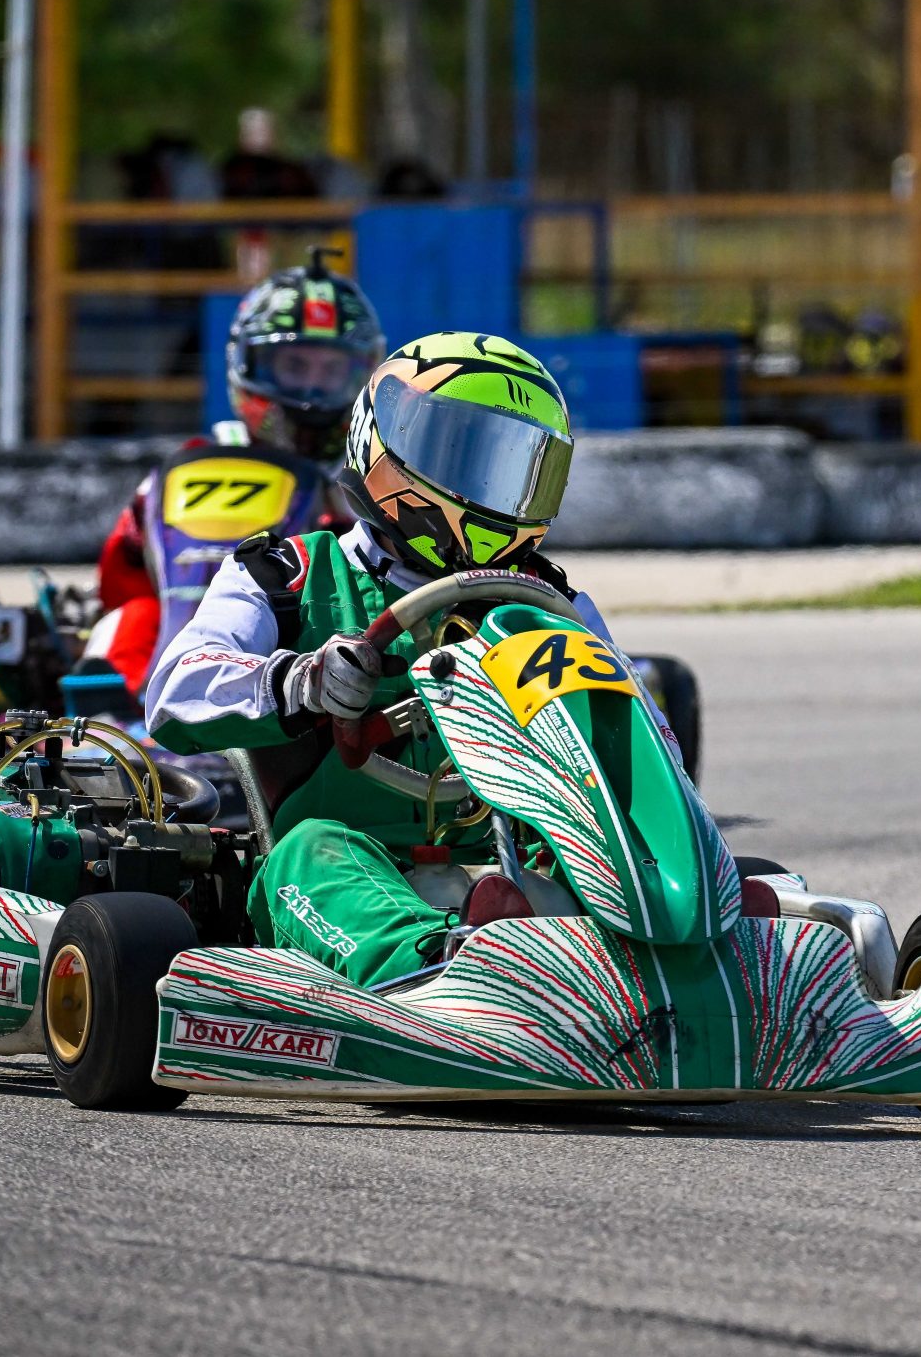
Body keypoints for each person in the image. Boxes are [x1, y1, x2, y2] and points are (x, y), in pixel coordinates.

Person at [144, 332, 635, 991]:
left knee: (610, 850)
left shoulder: (550, 605)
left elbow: (642, 745)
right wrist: (300, 680)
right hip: (339, 873)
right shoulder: (283, 575)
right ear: (385, 443)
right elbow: (174, 692)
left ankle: (651, 954)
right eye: (466, 457)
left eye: (515, 468)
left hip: (507, 871)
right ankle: (433, 973)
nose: (492, 491)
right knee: (311, 849)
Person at [80, 257, 383, 693]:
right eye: (295, 367)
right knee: (125, 619)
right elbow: (120, 580)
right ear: (249, 364)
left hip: (311, 648)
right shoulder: (194, 462)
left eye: (330, 371)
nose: (312, 392)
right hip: (167, 656)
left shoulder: (371, 473)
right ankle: (112, 713)